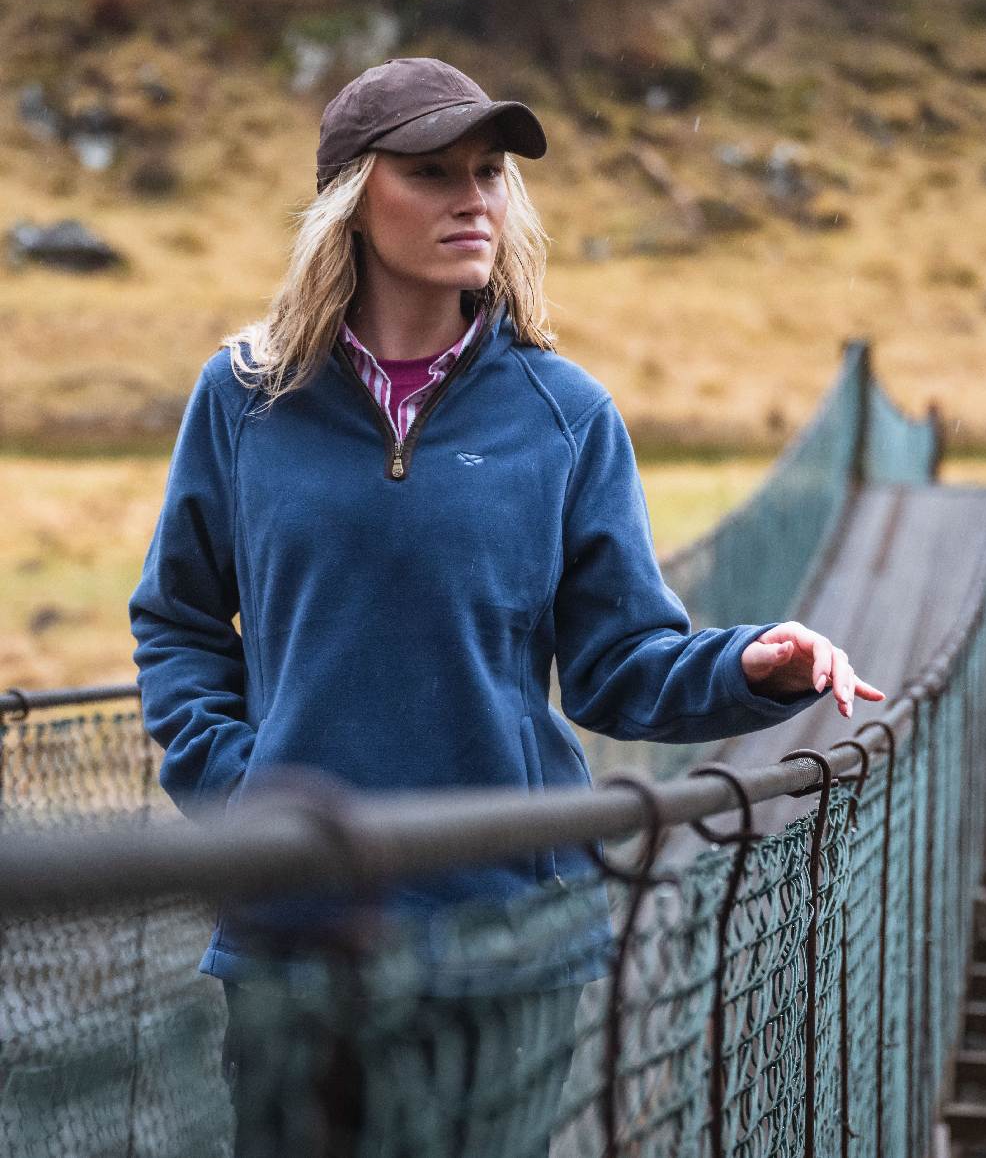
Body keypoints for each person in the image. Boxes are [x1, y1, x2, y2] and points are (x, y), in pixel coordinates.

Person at [128, 56, 885, 1155]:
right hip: (293, 928)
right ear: (353, 197)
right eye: (433, 171)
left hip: (506, 933)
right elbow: (182, 620)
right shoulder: (245, 399)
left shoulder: (563, 414)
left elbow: (619, 659)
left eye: (487, 171)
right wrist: (237, 793)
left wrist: (743, 664)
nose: (473, 198)